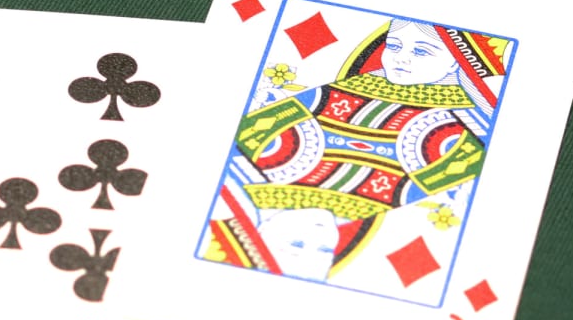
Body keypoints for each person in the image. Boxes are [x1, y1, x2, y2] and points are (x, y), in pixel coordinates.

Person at [200, 18, 509, 283]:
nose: (401, 59)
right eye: (394, 46)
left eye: (421, 51)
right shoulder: (345, 92)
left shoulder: (470, 131)